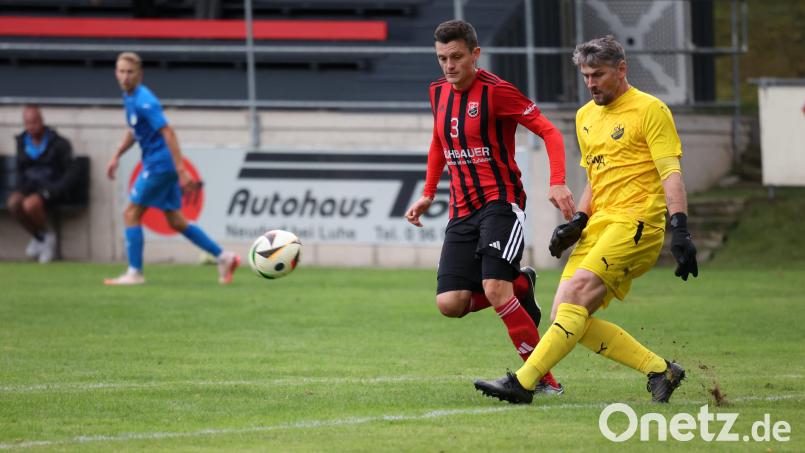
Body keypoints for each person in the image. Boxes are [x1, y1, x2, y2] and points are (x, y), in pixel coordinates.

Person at [474, 36, 698, 404]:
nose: (591, 83)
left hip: (637, 223)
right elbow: (597, 177)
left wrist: (681, 228)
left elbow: (670, 172)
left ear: (621, 69)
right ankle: (661, 370)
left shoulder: (650, 110)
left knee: (575, 297)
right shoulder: (585, 116)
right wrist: (578, 220)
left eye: (598, 75)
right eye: (585, 76)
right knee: (565, 315)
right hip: (600, 224)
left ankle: (523, 383)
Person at [405, 20, 576, 395]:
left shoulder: (497, 92)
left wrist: (557, 180)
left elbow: (549, 130)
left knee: (495, 289)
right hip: (461, 209)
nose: (449, 65)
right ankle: (521, 283)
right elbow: (439, 142)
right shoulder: (437, 92)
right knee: (450, 303)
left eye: (456, 57)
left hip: (501, 202)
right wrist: (429, 193)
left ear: (475, 54)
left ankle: (543, 380)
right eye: (442, 58)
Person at [104, 51, 240, 285]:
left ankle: (134, 273)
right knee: (176, 220)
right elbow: (134, 130)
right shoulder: (129, 97)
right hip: (159, 164)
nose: (125, 76)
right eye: (121, 71)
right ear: (116, 72)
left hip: (159, 164)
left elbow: (168, 132)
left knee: (131, 214)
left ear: (140, 74)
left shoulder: (145, 101)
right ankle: (224, 257)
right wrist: (116, 155)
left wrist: (181, 169)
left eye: (130, 72)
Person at [6, 106, 77, 263]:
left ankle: (45, 240)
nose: (31, 127)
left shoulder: (58, 143)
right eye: (27, 123)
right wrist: (20, 188)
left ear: (41, 121)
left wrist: (55, 190)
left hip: (51, 189)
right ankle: (42, 237)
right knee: (13, 203)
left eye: (34, 122)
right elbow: (21, 169)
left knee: (30, 205)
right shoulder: (22, 142)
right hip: (28, 187)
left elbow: (70, 173)